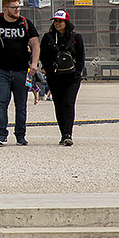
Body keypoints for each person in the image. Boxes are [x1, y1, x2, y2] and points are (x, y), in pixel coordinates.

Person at [0, 0, 40, 146]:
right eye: (14, 7)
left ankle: (20, 135)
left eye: (18, 7)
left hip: (22, 70)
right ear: (5, 9)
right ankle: (2, 135)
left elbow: (35, 44)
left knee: (21, 104)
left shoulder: (25, 23)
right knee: (2, 102)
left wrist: (34, 63)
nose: (17, 10)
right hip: (1, 70)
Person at [39, 9, 86, 147]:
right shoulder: (48, 38)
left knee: (68, 103)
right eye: (55, 21)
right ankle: (63, 133)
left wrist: (77, 72)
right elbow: (44, 57)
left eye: (60, 21)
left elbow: (81, 57)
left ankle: (68, 134)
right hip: (55, 76)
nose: (57, 23)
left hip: (72, 77)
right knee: (58, 104)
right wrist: (50, 72)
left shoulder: (76, 38)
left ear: (66, 22)